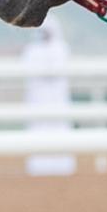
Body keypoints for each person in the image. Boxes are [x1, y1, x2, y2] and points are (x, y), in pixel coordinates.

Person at [20, 16, 76, 177]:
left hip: (57, 100)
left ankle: (61, 165)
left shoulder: (61, 49)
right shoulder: (32, 51)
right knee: (39, 130)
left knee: (59, 129)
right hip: (38, 100)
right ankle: (39, 165)